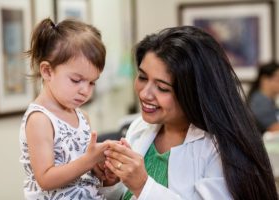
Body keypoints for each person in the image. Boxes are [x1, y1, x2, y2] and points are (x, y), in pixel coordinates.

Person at [96, 26, 278, 199]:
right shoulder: (140, 127)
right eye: (142, 77)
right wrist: (111, 182)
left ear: (195, 93)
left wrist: (143, 186)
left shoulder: (219, 149)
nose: (144, 93)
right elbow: (126, 195)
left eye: (162, 88)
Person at [19, 18, 109, 199]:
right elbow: (45, 179)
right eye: (76, 80)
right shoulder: (40, 119)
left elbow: (82, 174)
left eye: (92, 82)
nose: (85, 90)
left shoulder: (82, 117)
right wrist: (88, 160)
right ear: (47, 71)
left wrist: (101, 170)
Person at [247, 62, 279, 134]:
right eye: (278, 79)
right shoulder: (260, 101)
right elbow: (274, 128)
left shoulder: (267, 100)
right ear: (265, 80)